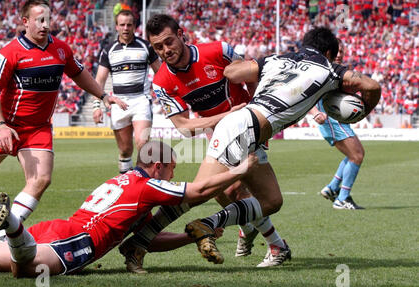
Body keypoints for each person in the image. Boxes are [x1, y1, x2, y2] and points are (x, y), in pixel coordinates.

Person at [183, 27, 381, 265]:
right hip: (244, 124)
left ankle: (272, 243)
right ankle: (148, 229)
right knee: (211, 192)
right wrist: (361, 113)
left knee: (262, 198)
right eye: (335, 55)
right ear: (329, 52)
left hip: (248, 126)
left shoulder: (279, 59)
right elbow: (371, 86)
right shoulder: (329, 70)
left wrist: (256, 73)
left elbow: (232, 72)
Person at [119, 14, 287, 269]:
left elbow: (252, 76)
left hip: (248, 130)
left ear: (181, 34)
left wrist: (257, 113)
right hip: (220, 134)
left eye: (169, 42)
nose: (166, 50)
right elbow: (184, 127)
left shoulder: (219, 51)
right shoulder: (162, 81)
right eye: (158, 47)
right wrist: (224, 118)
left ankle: (143, 240)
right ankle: (270, 241)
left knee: (226, 193)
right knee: (224, 191)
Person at [0, 140, 258, 277]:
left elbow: (144, 240)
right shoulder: (148, 186)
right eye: (171, 169)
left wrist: (189, 237)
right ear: (157, 167)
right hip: (76, 242)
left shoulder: (122, 180)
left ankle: (13, 229)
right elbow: (199, 190)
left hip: (54, 229)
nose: (171, 176)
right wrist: (242, 168)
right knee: (25, 271)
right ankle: (12, 225)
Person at [0, 0, 123, 245]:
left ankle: (2, 236)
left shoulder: (61, 49)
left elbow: (78, 73)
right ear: (25, 22)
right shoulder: (9, 52)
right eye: (39, 20)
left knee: (41, 179)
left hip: (38, 128)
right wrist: (1, 125)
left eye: (48, 20)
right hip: (6, 126)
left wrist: (103, 95)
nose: (45, 25)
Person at [93, 10, 161, 174]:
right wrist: (97, 105)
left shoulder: (146, 47)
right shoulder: (109, 50)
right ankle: (127, 184)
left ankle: (145, 184)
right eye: (122, 24)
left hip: (141, 100)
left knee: (142, 143)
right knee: (125, 150)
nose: (126, 28)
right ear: (116, 26)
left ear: (134, 26)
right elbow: (99, 80)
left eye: (129, 24)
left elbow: (160, 73)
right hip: (118, 103)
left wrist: (165, 98)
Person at [309, 39, 366, 210]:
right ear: (328, 51)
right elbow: (307, 94)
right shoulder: (323, 70)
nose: (340, 54)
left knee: (353, 155)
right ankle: (342, 198)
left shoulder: (338, 70)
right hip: (330, 121)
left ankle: (332, 188)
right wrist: (315, 113)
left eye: (342, 51)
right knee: (357, 155)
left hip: (337, 121)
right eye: (337, 51)